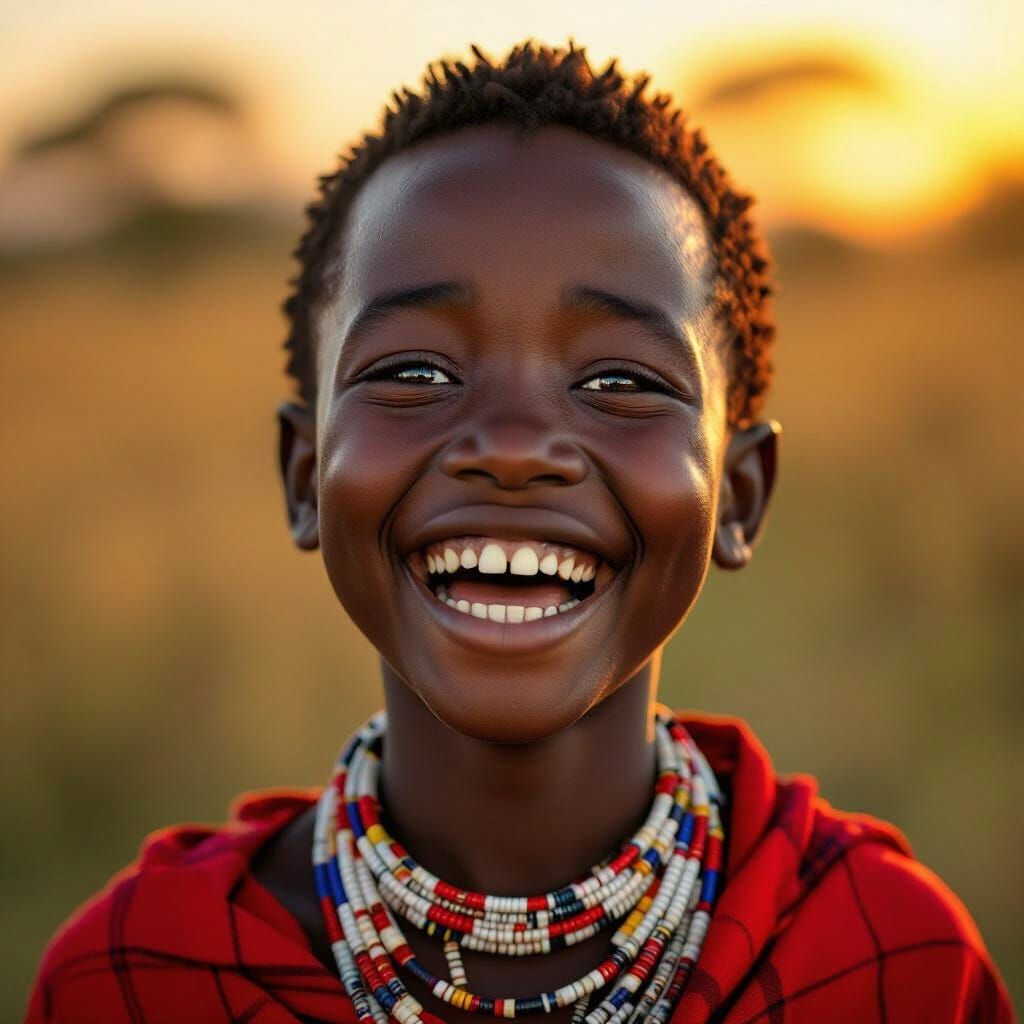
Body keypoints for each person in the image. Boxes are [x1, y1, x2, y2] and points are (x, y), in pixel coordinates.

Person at [25, 40, 1014, 1024]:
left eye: (620, 382)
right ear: (302, 474)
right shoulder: (142, 977)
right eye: (413, 372)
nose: (510, 448)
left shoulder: (886, 959)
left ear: (738, 493)